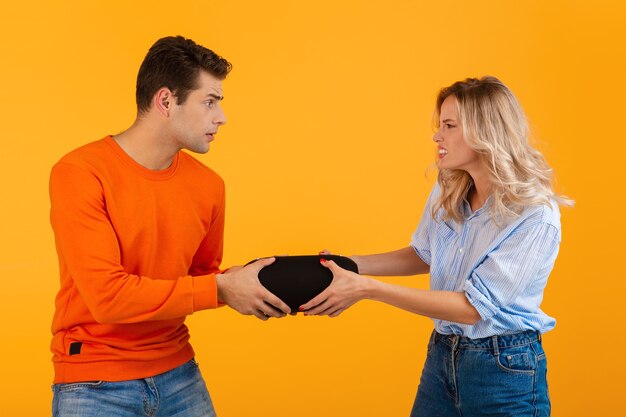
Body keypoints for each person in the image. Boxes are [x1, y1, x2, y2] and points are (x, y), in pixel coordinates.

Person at [300, 76, 572, 416]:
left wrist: (366, 289)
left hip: (504, 368)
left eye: (449, 125)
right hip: (443, 355)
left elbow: (472, 308)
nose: (436, 136)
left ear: (484, 130)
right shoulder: (452, 185)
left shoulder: (534, 215)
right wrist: (348, 264)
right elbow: (423, 254)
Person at [49, 35, 291, 417]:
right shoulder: (81, 173)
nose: (221, 117)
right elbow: (107, 297)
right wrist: (221, 288)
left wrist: (252, 284)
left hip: (179, 372)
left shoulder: (209, 186)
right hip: (95, 381)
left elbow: (201, 278)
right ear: (165, 101)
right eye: (209, 102)